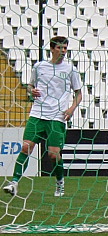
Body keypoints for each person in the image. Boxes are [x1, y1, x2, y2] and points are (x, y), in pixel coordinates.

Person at [3, 36, 82, 198]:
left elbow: (79, 93)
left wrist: (72, 108)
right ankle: (14, 183)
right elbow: (31, 85)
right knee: (26, 147)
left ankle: (60, 182)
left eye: (65, 48)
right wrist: (32, 90)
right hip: (38, 113)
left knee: (53, 154)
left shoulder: (70, 70)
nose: (63, 51)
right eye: (60, 48)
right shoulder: (39, 67)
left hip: (57, 116)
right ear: (52, 49)